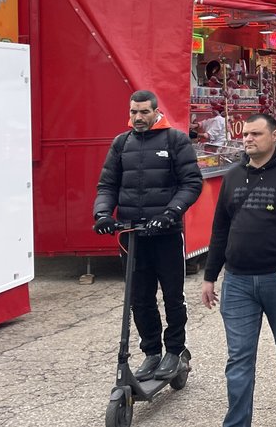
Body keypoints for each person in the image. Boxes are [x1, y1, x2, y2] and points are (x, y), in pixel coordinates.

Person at [200, 114, 276, 427]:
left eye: (256, 133)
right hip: (237, 281)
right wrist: (210, 276)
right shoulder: (232, 175)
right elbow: (220, 228)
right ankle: (237, 422)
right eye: (245, 135)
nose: (248, 139)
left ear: (274, 136)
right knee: (239, 357)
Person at [93, 90, 203, 382]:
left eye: (144, 112)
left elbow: (191, 183)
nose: (138, 118)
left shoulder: (175, 140)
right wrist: (103, 214)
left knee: (172, 297)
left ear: (156, 112)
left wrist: (171, 212)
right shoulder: (121, 143)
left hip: (166, 234)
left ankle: (175, 351)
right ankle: (152, 352)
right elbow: (107, 185)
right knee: (139, 299)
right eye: (133, 112)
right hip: (132, 234)